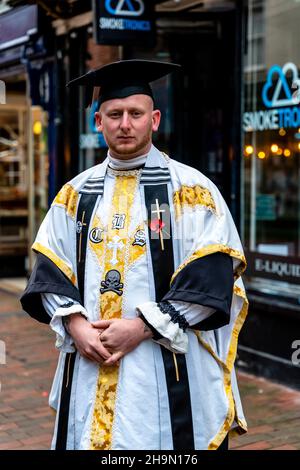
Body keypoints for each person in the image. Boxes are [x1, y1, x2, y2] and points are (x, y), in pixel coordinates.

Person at [21, 59, 248, 451]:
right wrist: (74, 323)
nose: (125, 124)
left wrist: (141, 328)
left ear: (154, 119)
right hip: (89, 361)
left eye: (136, 114)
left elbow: (210, 279)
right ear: (98, 122)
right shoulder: (75, 194)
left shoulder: (193, 192)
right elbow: (48, 272)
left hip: (163, 365)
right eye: (114, 114)